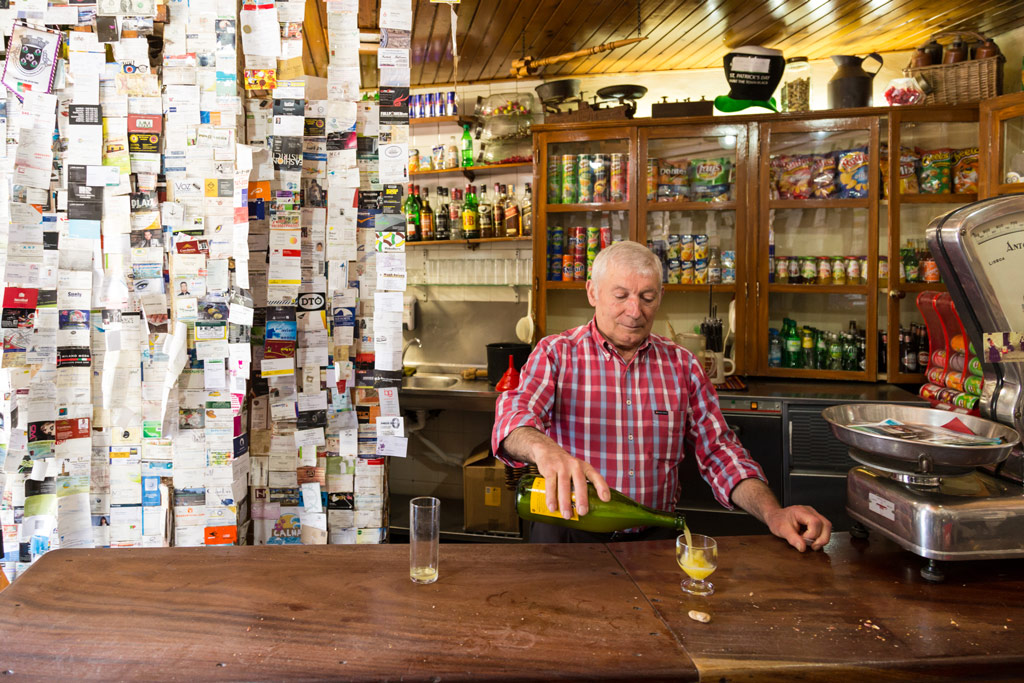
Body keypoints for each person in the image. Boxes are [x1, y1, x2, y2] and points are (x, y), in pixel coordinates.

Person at [492, 241, 832, 551]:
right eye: (621, 295)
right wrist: (543, 449)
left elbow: (720, 451)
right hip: (567, 535)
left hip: (653, 540)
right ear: (592, 292)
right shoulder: (556, 353)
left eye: (647, 297)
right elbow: (514, 415)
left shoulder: (682, 365)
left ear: (661, 296)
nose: (635, 310)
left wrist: (772, 512)